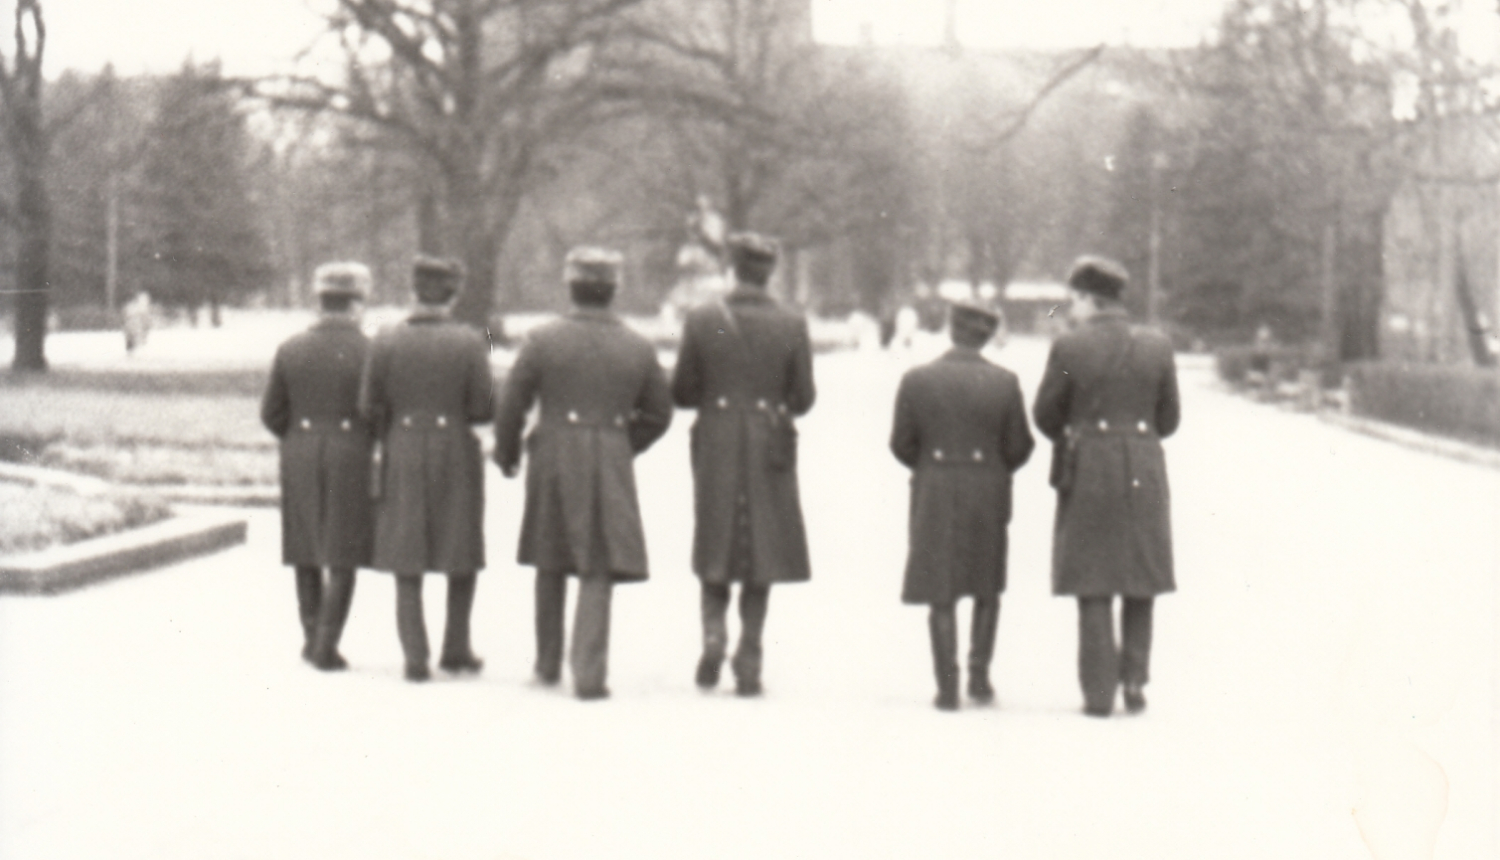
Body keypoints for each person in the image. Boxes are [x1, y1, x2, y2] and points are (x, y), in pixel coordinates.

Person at [493, 247, 673, 700]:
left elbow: (512, 403)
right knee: (597, 562)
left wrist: (508, 453)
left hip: (552, 452)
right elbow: (659, 413)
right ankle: (589, 674)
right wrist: (621, 445)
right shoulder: (637, 344)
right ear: (614, 289)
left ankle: (546, 664)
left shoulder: (541, 339)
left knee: (549, 556)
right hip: (607, 453)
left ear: (570, 286)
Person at [1033, 256, 1181, 717]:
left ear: (1087, 298)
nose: (1068, 309)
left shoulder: (1070, 348)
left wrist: (1081, 430)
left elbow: (1045, 415)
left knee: (1092, 577)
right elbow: (1169, 419)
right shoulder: (1158, 346)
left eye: (1071, 299)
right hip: (1143, 463)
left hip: (1091, 466)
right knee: (1141, 576)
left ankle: (1098, 692)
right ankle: (1135, 680)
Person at [672, 231, 815, 696]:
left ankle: (713, 633)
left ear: (731, 268)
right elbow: (804, 397)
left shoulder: (704, 318)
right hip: (769, 440)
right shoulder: (791, 324)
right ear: (769, 272)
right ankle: (750, 653)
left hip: (716, 437)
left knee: (715, 535)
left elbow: (683, 392)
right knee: (764, 544)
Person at [890, 298, 1034, 710]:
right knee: (986, 584)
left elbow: (901, 443)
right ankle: (979, 676)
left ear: (951, 329)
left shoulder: (916, 379)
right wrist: (992, 466)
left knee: (940, 588)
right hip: (987, 487)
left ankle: (946, 684)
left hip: (934, 485)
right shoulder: (1005, 382)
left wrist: (932, 463)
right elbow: (1019, 445)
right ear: (987, 335)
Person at [359, 255, 494, 682]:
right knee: (461, 548)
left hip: (402, 444)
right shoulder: (472, 341)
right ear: (452, 295)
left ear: (414, 292)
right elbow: (482, 407)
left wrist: (393, 428)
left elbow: (368, 405)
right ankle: (456, 648)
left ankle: (415, 656)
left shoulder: (385, 339)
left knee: (406, 550)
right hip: (454, 446)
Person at [260, 263, 376, 670]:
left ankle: (312, 637)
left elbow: (271, 412)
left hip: (300, 450)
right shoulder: (370, 350)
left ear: (320, 300)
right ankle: (327, 643)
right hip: (350, 451)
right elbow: (378, 411)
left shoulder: (290, 348)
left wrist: (299, 437)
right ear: (357, 302)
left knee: (304, 545)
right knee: (343, 550)